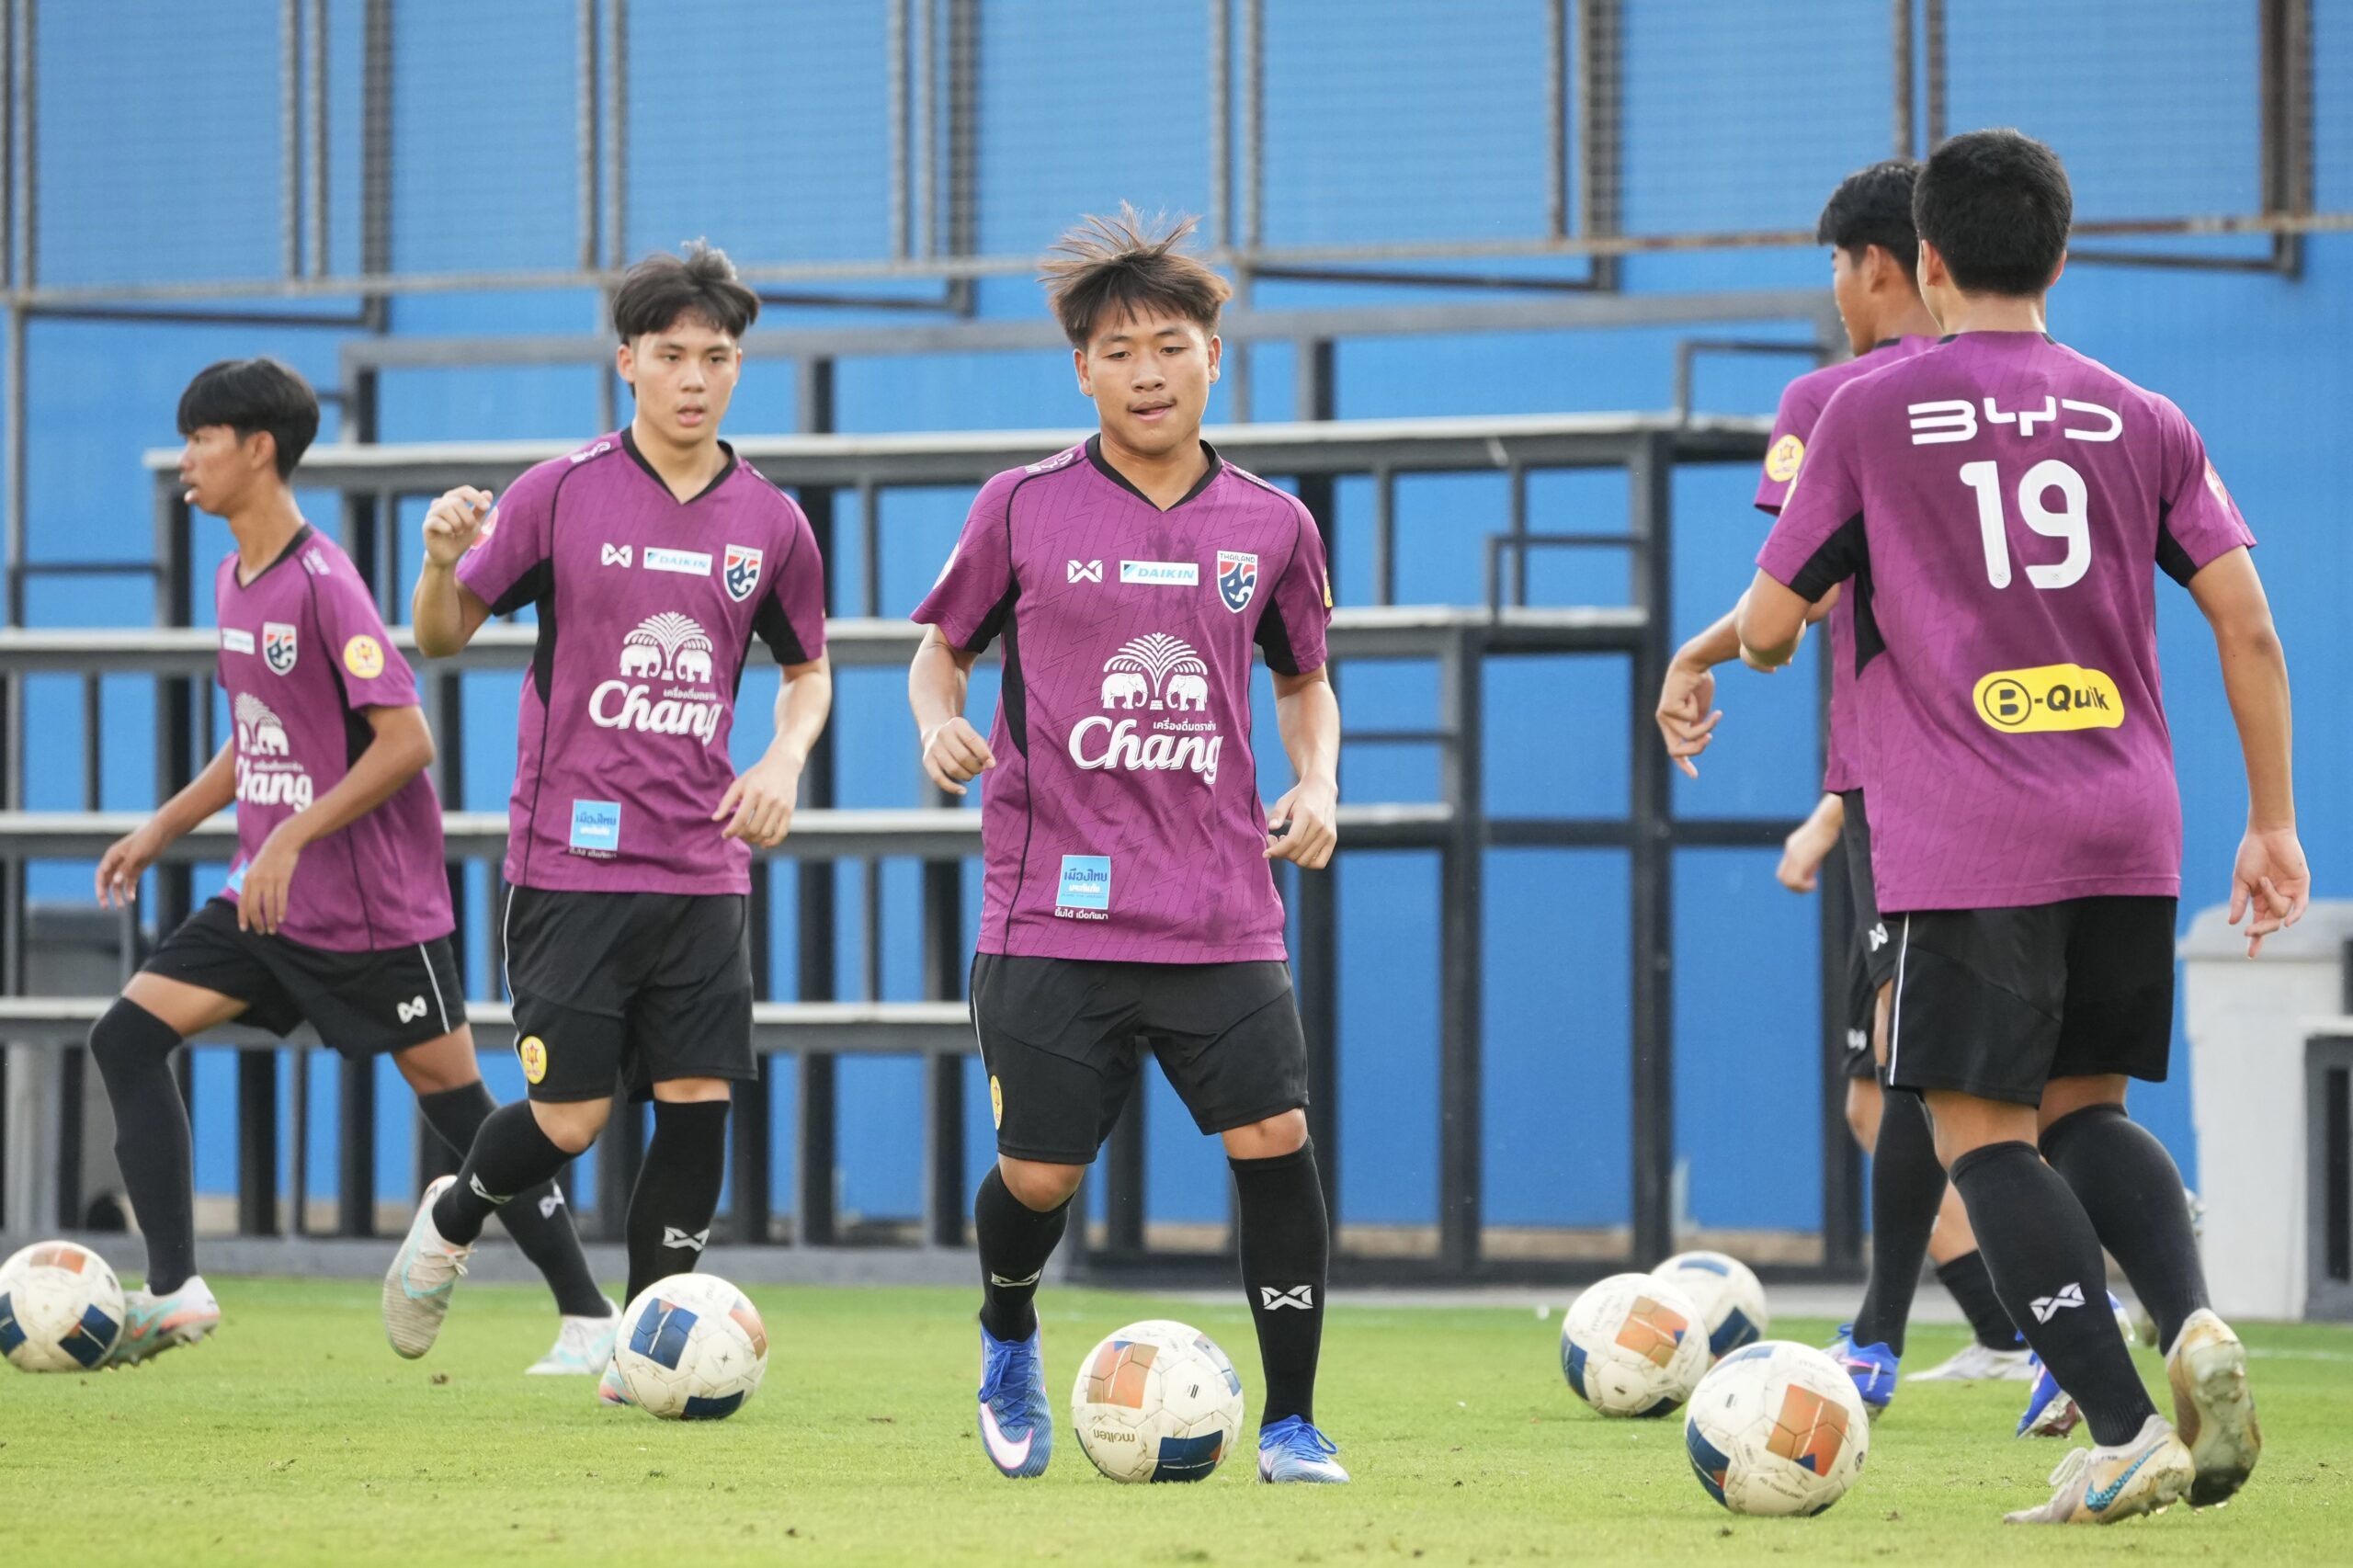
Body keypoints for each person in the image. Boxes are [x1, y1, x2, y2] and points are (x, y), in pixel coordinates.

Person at [1742, 128, 2301, 1524]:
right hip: (2129, 823)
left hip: (1966, 832)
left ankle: (2123, 1428)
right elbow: (2248, 625)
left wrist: (1757, 636)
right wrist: (2273, 823)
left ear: (1925, 259)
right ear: (2060, 254)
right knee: (2087, 1110)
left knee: (1981, 1133)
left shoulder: (1866, 412)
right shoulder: (2142, 415)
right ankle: (2190, 1319)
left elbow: (1768, 626)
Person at [909, 207, 1347, 1483]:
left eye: (1169, 345)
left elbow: (1304, 679)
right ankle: (1007, 1330)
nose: (1146, 371)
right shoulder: (1020, 505)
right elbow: (939, 652)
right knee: (1039, 1173)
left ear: (1215, 355)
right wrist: (938, 722)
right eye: (1118, 351)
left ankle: (1292, 1422)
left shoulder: (1273, 524)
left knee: (1274, 1138)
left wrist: (1318, 780)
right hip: (1052, 907)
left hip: (1220, 907)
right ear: (1081, 371)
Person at [90, 357, 613, 1371]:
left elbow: (407, 740)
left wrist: (291, 834)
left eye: (201, 439)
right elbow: (262, 734)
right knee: (126, 1037)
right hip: (266, 902)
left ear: (258, 449)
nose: (186, 459)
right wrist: (163, 826)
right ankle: (177, 1286)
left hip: (373, 914)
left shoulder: (324, 584)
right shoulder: (232, 579)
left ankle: (588, 1312)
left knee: (462, 1106)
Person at [383, 244, 832, 1404]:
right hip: (570, 861)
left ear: (738, 368)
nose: (694, 378)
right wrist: (438, 563)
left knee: (697, 1103)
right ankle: (455, 1212)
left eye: (716, 357)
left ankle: (642, 1352)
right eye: (672, 354)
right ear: (627, 360)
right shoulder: (560, 492)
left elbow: (808, 671)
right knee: (571, 1118)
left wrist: (782, 757)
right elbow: (441, 634)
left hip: (704, 866)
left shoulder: (774, 522)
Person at [1657, 160, 2025, 1414]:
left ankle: (1929, 1330)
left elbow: (1795, 599)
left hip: (1904, 787)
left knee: (1902, 1076)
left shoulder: (1836, 398)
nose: (1833, 289)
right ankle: (1985, 1320)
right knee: (1934, 1083)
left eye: (1832, 264)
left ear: (1881, 262)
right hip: (2036, 773)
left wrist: (1702, 653)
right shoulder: (2040, 400)